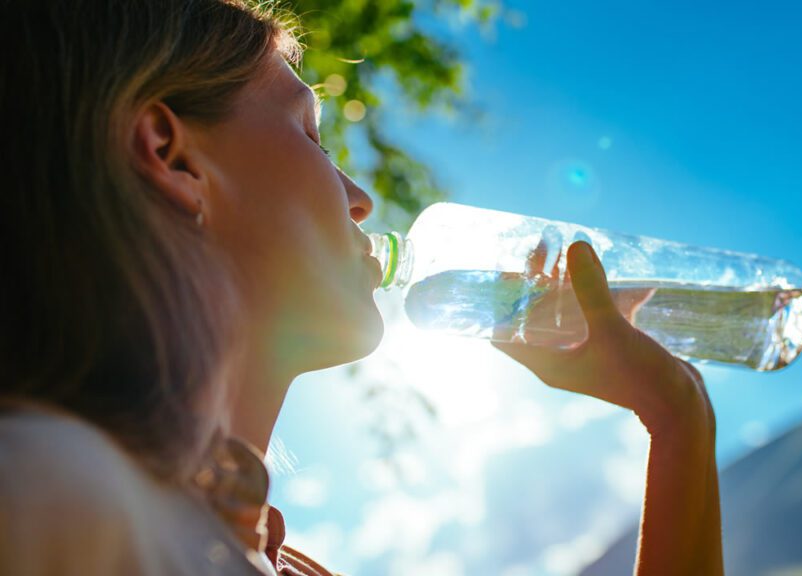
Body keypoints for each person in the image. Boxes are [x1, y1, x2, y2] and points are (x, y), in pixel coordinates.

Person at [0, 1, 722, 574]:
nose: (359, 199)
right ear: (172, 156)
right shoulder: (49, 495)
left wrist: (676, 415)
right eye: (312, 137)